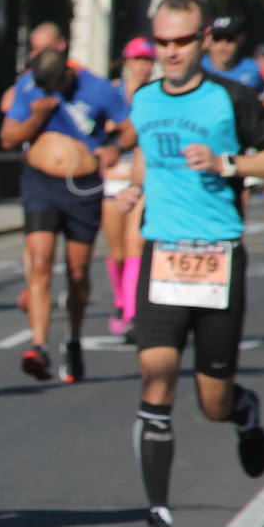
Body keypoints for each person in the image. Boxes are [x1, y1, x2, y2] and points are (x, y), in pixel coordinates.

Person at [116, 0, 264, 527]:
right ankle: (159, 518)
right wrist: (137, 187)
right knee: (156, 376)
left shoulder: (230, 99)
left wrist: (228, 164)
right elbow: (146, 151)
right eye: (161, 42)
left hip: (218, 258)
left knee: (211, 401)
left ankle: (244, 412)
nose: (170, 53)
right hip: (163, 254)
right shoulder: (143, 99)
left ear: (202, 41)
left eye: (182, 42)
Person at [0, 47, 135, 382]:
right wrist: (35, 117)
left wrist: (114, 148)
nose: (47, 92)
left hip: (83, 189)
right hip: (40, 184)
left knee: (77, 271)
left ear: (67, 76)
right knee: (41, 260)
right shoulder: (30, 87)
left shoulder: (98, 87)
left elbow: (129, 128)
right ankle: (39, 345)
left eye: (53, 86)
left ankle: (73, 339)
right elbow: (7, 138)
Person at [104, 37, 154, 338]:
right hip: (112, 177)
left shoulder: (158, 94)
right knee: (118, 250)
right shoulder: (112, 93)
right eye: (137, 60)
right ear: (127, 62)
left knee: (136, 243)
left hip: (142, 176)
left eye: (147, 60)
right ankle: (120, 299)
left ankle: (132, 311)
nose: (142, 66)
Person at [201, 17, 264, 95]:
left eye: (229, 38)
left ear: (239, 40)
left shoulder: (254, 70)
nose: (223, 45)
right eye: (217, 38)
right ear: (207, 40)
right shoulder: (197, 69)